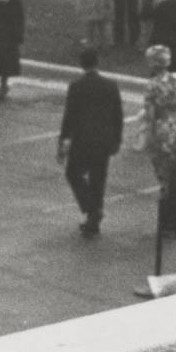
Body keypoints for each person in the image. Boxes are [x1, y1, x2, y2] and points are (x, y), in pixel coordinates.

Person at [58, 46, 124, 237]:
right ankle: (95, 213)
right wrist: (117, 139)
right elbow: (117, 115)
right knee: (98, 178)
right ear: (97, 62)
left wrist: (63, 140)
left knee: (73, 173)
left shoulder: (77, 86)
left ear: (81, 64)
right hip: (104, 140)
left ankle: (91, 209)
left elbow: (69, 117)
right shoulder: (111, 85)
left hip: (82, 139)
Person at [138, 43, 176, 193]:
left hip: (162, 129)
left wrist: (149, 137)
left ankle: (168, 194)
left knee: (163, 169)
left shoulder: (152, 85)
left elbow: (150, 115)